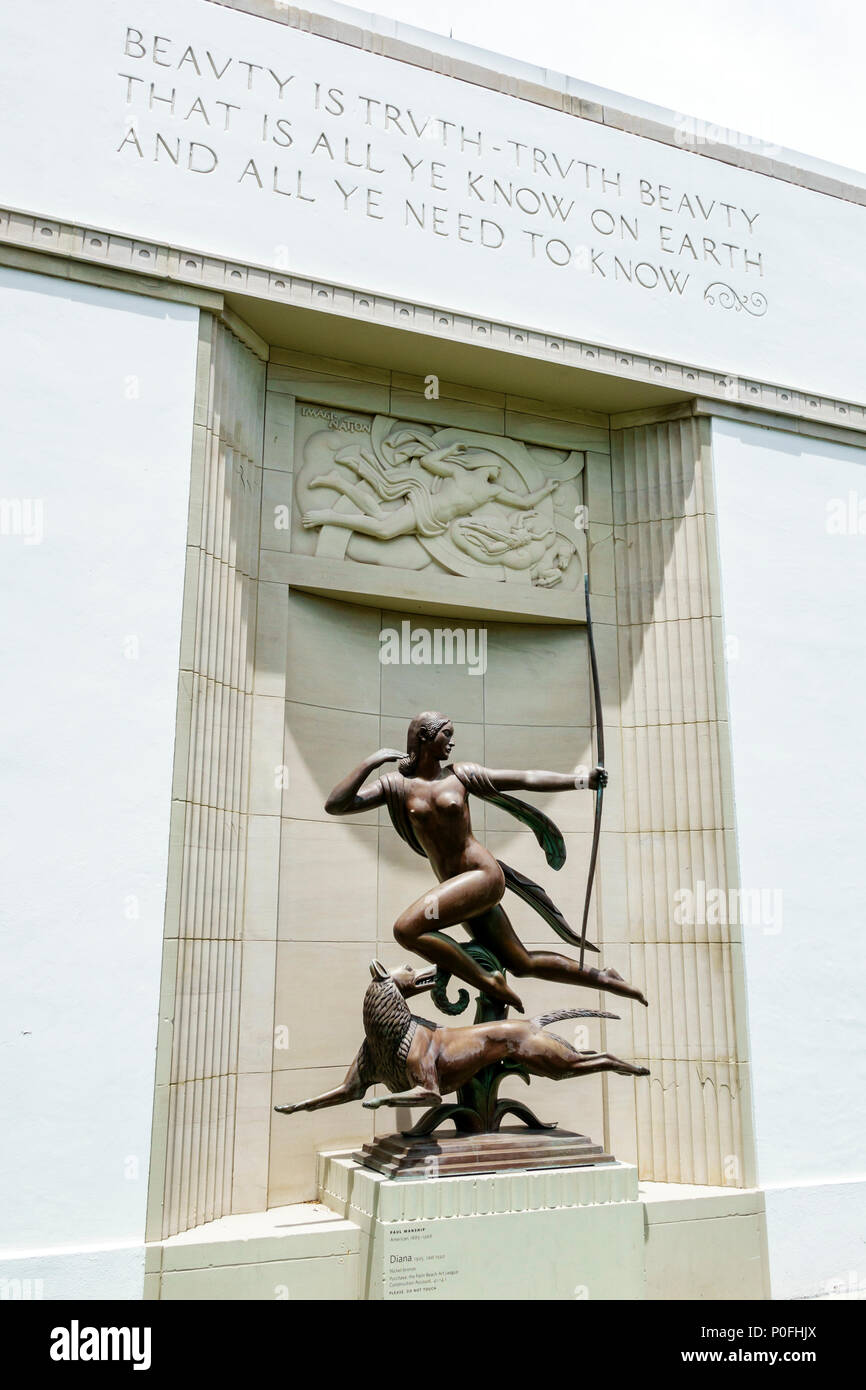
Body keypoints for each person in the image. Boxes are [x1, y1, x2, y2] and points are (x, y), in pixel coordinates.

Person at [324, 711, 648, 1014]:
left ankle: (486, 980)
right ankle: (605, 978)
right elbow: (336, 805)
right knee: (522, 963)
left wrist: (582, 780)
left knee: (406, 929)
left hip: (483, 876)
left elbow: (525, 778)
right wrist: (371, 762)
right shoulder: (395, 786)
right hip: (463, 890)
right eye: (446, 734)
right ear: (424, 737)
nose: (452, 742)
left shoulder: (461, 776)